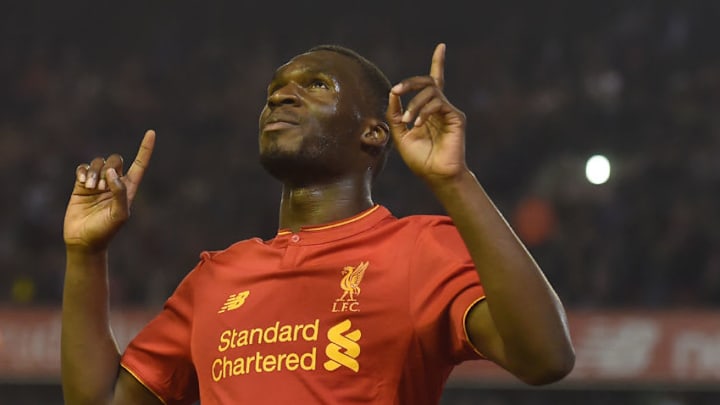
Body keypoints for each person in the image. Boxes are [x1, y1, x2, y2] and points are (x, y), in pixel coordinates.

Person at [61, 43, 575, 405]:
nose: (281, 97)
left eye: (316, 85)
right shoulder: (216, 277)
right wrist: (85, 255)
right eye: (275, 91)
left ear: (375, 133)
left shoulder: (419, 249)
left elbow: (545, 358)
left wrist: (454, 180)